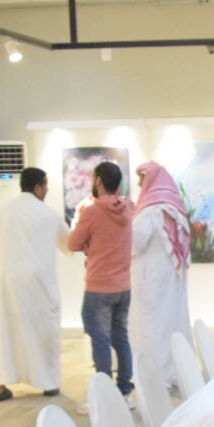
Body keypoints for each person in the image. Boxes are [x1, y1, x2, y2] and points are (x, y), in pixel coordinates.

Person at [0, 166, 69, 401]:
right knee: (43, 331)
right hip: (38, 284)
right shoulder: (49, 214)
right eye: (45, 186)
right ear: (37, 187)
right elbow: (69, 245)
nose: (47, 190)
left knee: (3, 331)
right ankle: (48, 382)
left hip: (4, 282)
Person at [69, 161, 135, 395]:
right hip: (123, 286)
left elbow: (72, 243)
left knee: (99, 338)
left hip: (99, 286)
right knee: (120, 336)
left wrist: (90, 244)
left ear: (98, 181)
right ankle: (124, 388)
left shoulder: (92, 211)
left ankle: (105, 393)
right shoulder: (127, 209)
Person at [131, 161, 195, 389]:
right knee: (172, 320)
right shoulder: (173, 206)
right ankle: (177, 369)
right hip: (171, 276)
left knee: (153, 324)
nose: (140, 183)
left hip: (152, 275)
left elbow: (136, 241)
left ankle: (157, 374)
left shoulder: (151, 210)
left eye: (142, 178)